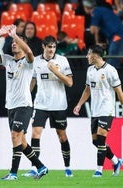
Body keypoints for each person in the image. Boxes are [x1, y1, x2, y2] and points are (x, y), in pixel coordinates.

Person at [0, 24, 48, 180]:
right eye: (12, 42)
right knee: (22, 141)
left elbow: (29, 52)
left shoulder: (28, 62)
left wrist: (15, 36)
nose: (13, 43)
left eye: (16, 42)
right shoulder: (8, 60)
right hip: (11, 106)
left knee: (15, 136)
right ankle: (41, 166)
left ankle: (13, 173)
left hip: (24, 105)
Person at [73, 45, 123, 177]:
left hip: (107, 109)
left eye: (88, 54)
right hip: (95, 110)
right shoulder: (90, 70)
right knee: (96, 141)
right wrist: (79, 104)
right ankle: (116, 161)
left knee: (100, 138)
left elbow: (119, 90)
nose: (87, 56)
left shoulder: (111, 70)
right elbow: (87, 90)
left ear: (96, 55)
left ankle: (99, 170)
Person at [21, 35, 74, 178]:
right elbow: (32, 82)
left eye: (54, 47)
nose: (51, 50)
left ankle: (68, 167)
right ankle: (34, 167)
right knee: (35, 134)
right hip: (41, 104)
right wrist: (25, 97)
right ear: (43, 47)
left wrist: (55, 71)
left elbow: (70, 83)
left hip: (58, 105)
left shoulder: (62, 61)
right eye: (49, 47)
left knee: (62, 136)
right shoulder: (36, 61)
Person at [83, 0, 123, 68]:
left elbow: (93, 30)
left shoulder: (96, 12)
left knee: (113, 62)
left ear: (86, 7)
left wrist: (97, 41)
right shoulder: (102, 10)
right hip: (118, 36)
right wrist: (97, 42)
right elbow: (97, 29)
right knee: (112, 61)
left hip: (117, 37)